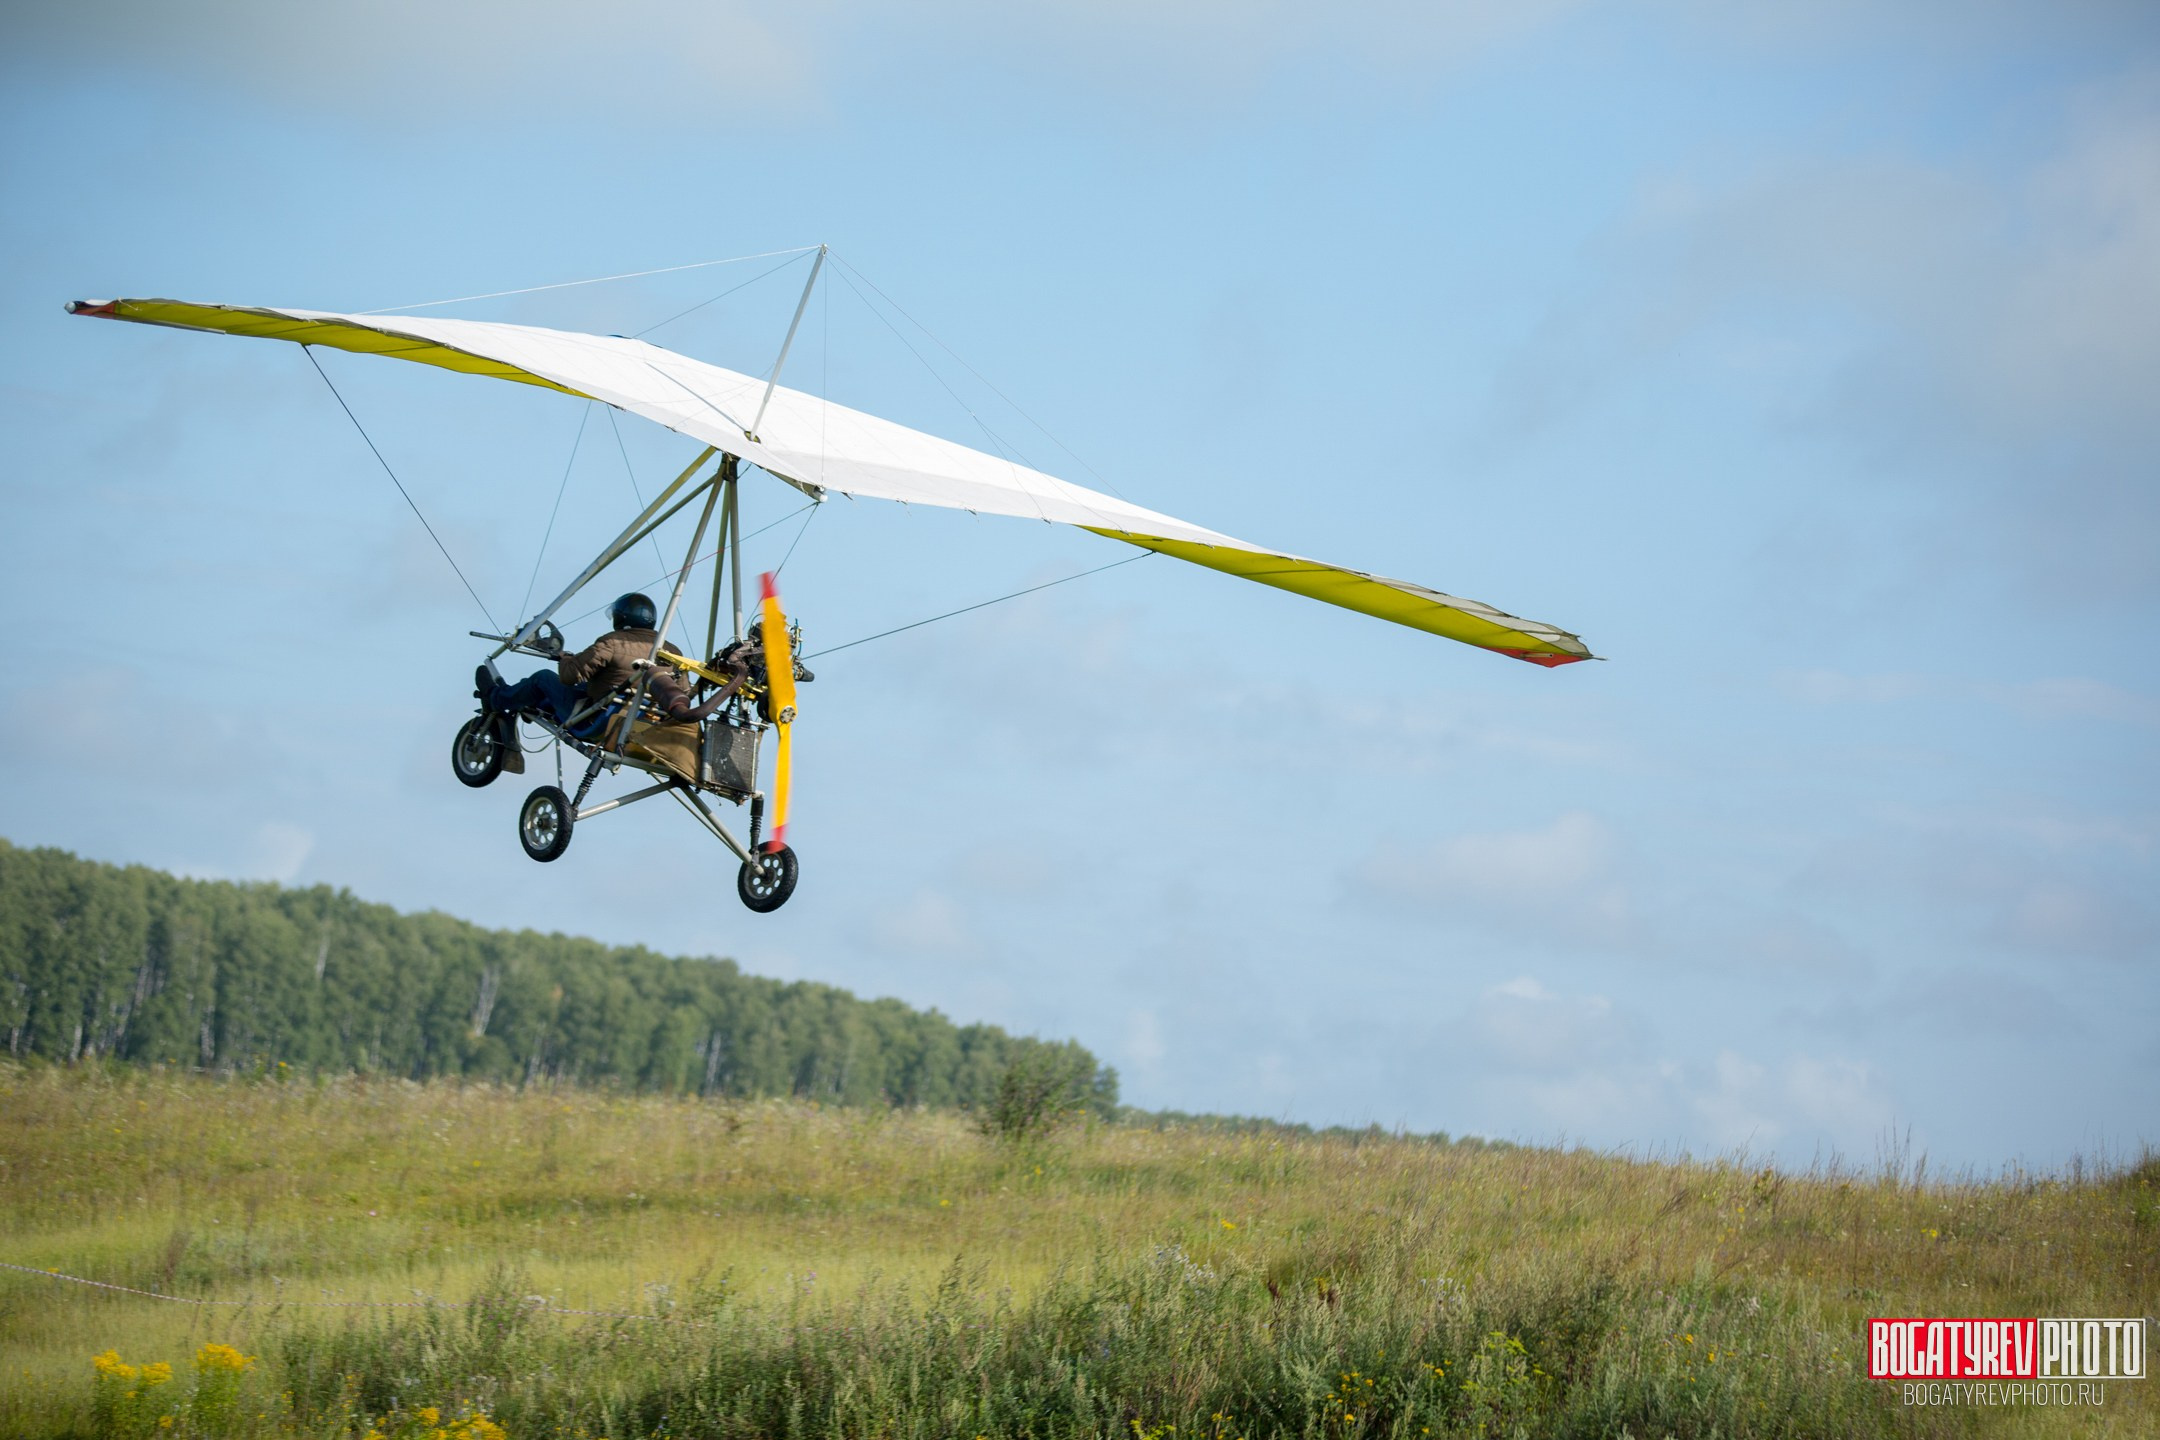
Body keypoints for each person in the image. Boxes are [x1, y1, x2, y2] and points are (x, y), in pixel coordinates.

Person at [481, 593, 696, 728]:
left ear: (621, 618)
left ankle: (495, 698)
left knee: (543, 678)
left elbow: (569, 676)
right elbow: (683, 693)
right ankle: (541, 706)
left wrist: (565, 659)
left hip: (599, 721)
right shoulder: (672, 651)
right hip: (645, 723)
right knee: (589, 686)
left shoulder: (613, 642)